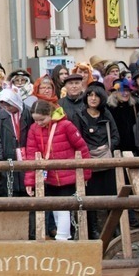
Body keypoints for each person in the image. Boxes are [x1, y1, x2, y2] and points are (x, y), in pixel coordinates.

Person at [24, 99, 91, 241]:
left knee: (64, 207)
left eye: (42, 119)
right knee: (54, 206)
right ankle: (63, 236)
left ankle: (62, 237)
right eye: (35, 120)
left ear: (50, 114)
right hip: (48, 177)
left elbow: (82, 148)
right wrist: (30, 181)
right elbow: (31, 155)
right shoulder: (34, 129)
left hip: (68, 174)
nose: (39, 123)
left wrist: (85, 174)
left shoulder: (66, 126)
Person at [74, 82, 118, 238]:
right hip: (88, 159)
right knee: (90, 197)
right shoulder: (79, 115)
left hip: (106, 159)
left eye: (96, 96)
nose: (93, 99)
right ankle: (92, 228)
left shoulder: (107, 114)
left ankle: (113, 228)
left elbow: (115, 135)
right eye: (90, 95)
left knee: (112, 195)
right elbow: (77, 138)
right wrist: (89, 150)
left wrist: (107, 148)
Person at [0, 88, 31, 196]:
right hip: (9, 154)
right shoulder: (2, 114)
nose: (7, 108)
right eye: (4, 105)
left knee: (26, 184)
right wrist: (1, 155)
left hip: (26, 153)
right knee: (11, 186)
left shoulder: (28, 113)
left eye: (9, 105)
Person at [107, 79, 139, 155]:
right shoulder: (109, 108)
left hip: (132, 147)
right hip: (116, 148)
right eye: (122, 90)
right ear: (115, 93)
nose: (125, 93)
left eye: (127, 90)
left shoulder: (134, 106)